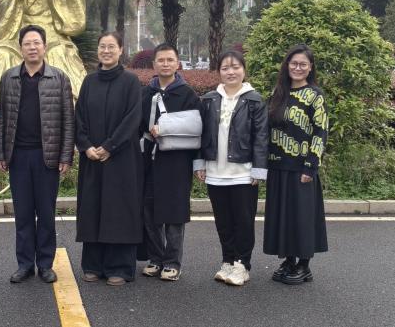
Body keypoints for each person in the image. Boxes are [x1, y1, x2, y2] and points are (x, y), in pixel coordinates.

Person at [0, 25, 75, 284]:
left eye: (36, 43)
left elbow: (68, 120)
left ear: (44, 46)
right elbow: (1, 118)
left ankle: (45, 264)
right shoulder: (9, 78)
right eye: (27, 43)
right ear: (20, 48)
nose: (32, 47)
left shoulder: (59, 78)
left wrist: (65, 156)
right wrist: (1, 153)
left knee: (46, 214)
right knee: (23, 214)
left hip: (47, 157)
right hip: (18, 156)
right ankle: (25, 265)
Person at [194, 50, 268, 286]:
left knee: (243, 222)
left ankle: (242, 265)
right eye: (225, 68)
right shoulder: (209, 99)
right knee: (223, 221)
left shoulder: (254, 100)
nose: (231, 72)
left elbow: (261, 137)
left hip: (243, 173)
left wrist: (258, 169)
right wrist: (200, 162)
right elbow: (201, 134)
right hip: (215, 172)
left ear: (244, 70)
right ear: (219, 72)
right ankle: (227, 261)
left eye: (235, 67)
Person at [74, 31, 143, 286]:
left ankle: (120, 267)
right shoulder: (89, 81)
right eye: (102, 46)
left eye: (111, 46)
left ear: (121, 50)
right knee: (92, 208)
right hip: (92, 158)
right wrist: (86, 146)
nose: (106, 51)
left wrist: (109, 146)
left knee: (119, 210)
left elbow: (133, 118)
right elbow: (79, 117)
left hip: (121, 159)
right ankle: (93, 264)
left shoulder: (131, 81)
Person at [263, 44, 328, 284]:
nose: (297, 68)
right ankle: (289, 260)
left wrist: (311, 165)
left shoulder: (315, 95)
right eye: (294, 63)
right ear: (287, 65)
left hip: (301, 167)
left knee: (302, 217)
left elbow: (321, 131)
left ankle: (304, 265)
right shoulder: (278, 92)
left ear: (310, 68)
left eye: (303, 64)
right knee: (283, 217)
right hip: (278, 165)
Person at [139, 43, 202, 282]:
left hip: (177, 162)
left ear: (177, 64)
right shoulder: (146, 93)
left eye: (170, 60)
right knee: (150, 210)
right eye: (161, 60)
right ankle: (155, 258)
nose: (165, 64)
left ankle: (172, 262)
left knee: (174, 213)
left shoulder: (187, 94)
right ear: (154, 64)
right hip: (150, 160)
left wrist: (165, 129)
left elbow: (198, 128)